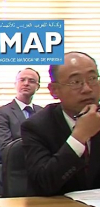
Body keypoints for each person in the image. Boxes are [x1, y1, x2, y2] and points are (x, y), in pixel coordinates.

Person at [21, 52, 100, 196]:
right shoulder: (36, 126)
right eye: (76, 82)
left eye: (92, 78)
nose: (88, 89)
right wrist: (79, 137)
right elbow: (43, 184)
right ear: (54, 91)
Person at [0, 68, 44, 161]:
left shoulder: (43, 113)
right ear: (15, 84)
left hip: (40, 166)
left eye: (31, 81)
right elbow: (4, 150)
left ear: (37, 87)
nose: (26, 83)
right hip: (13, 167)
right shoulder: (0, 113)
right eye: (22, 80)